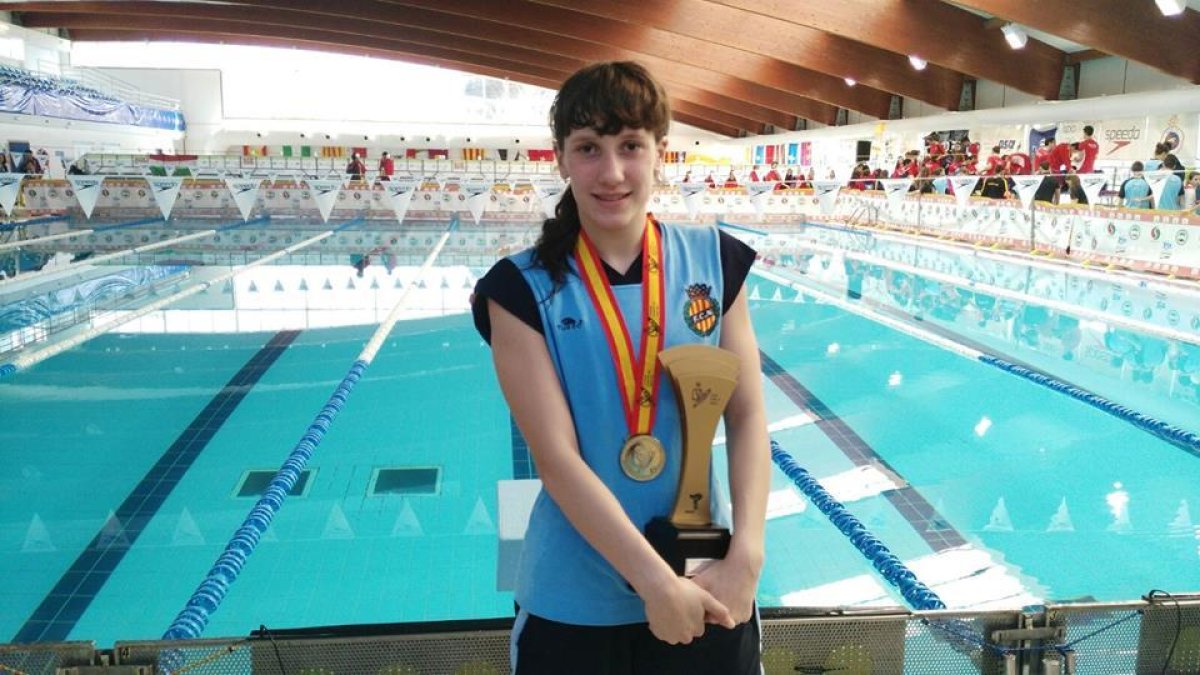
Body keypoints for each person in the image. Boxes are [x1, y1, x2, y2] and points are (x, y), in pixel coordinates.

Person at [471, 61, 768, 674]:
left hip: (708, 580)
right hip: (574, 604)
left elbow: (747, 416)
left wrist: (748, 557)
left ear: (661, 151)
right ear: (561, 159)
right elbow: (556, 459)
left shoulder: (715, 262)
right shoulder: (520, 290)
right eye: (588, 148)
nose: (611, 173)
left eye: (631, 145)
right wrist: (655, 584)